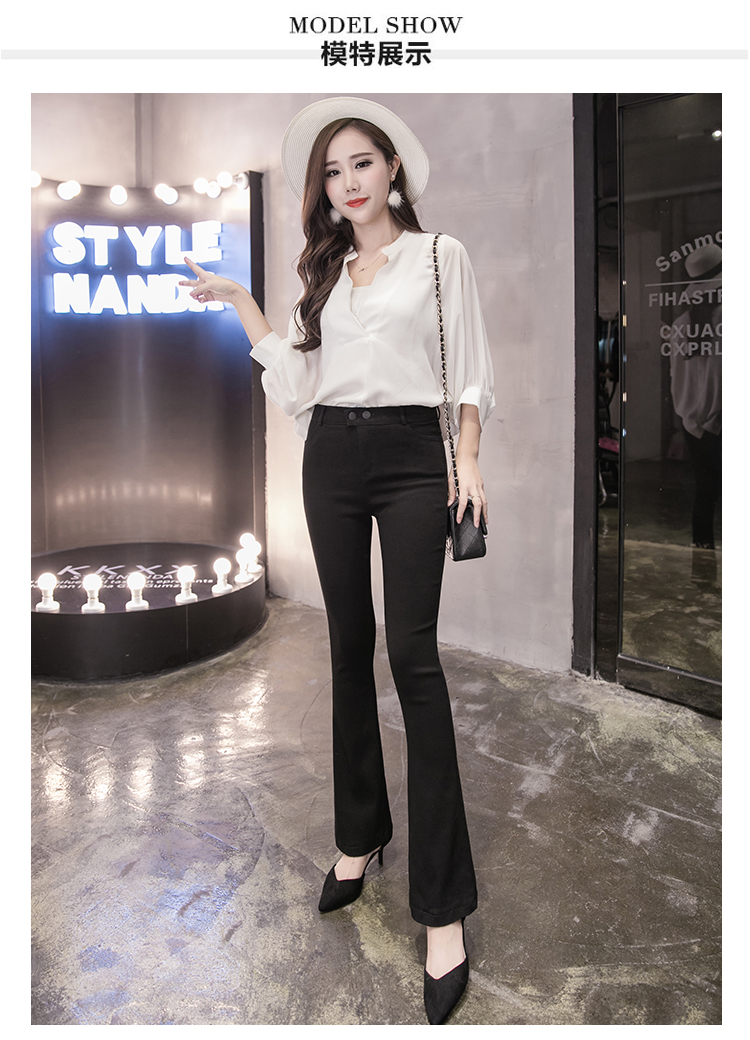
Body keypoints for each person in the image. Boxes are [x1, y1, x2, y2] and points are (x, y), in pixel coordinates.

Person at [179, 97, 495, 1025]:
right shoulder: (325, 275)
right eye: (332, 171)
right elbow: (299, 384)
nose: (347, 183)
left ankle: (444, 909)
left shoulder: (439, 257)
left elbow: (470, 373)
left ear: (392, 169)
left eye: (361, 163)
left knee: (415, 659)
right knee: (347, 647)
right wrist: (245, 306)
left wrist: (468, 462)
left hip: (413, 459)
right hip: (332, 459)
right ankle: (360, 836)